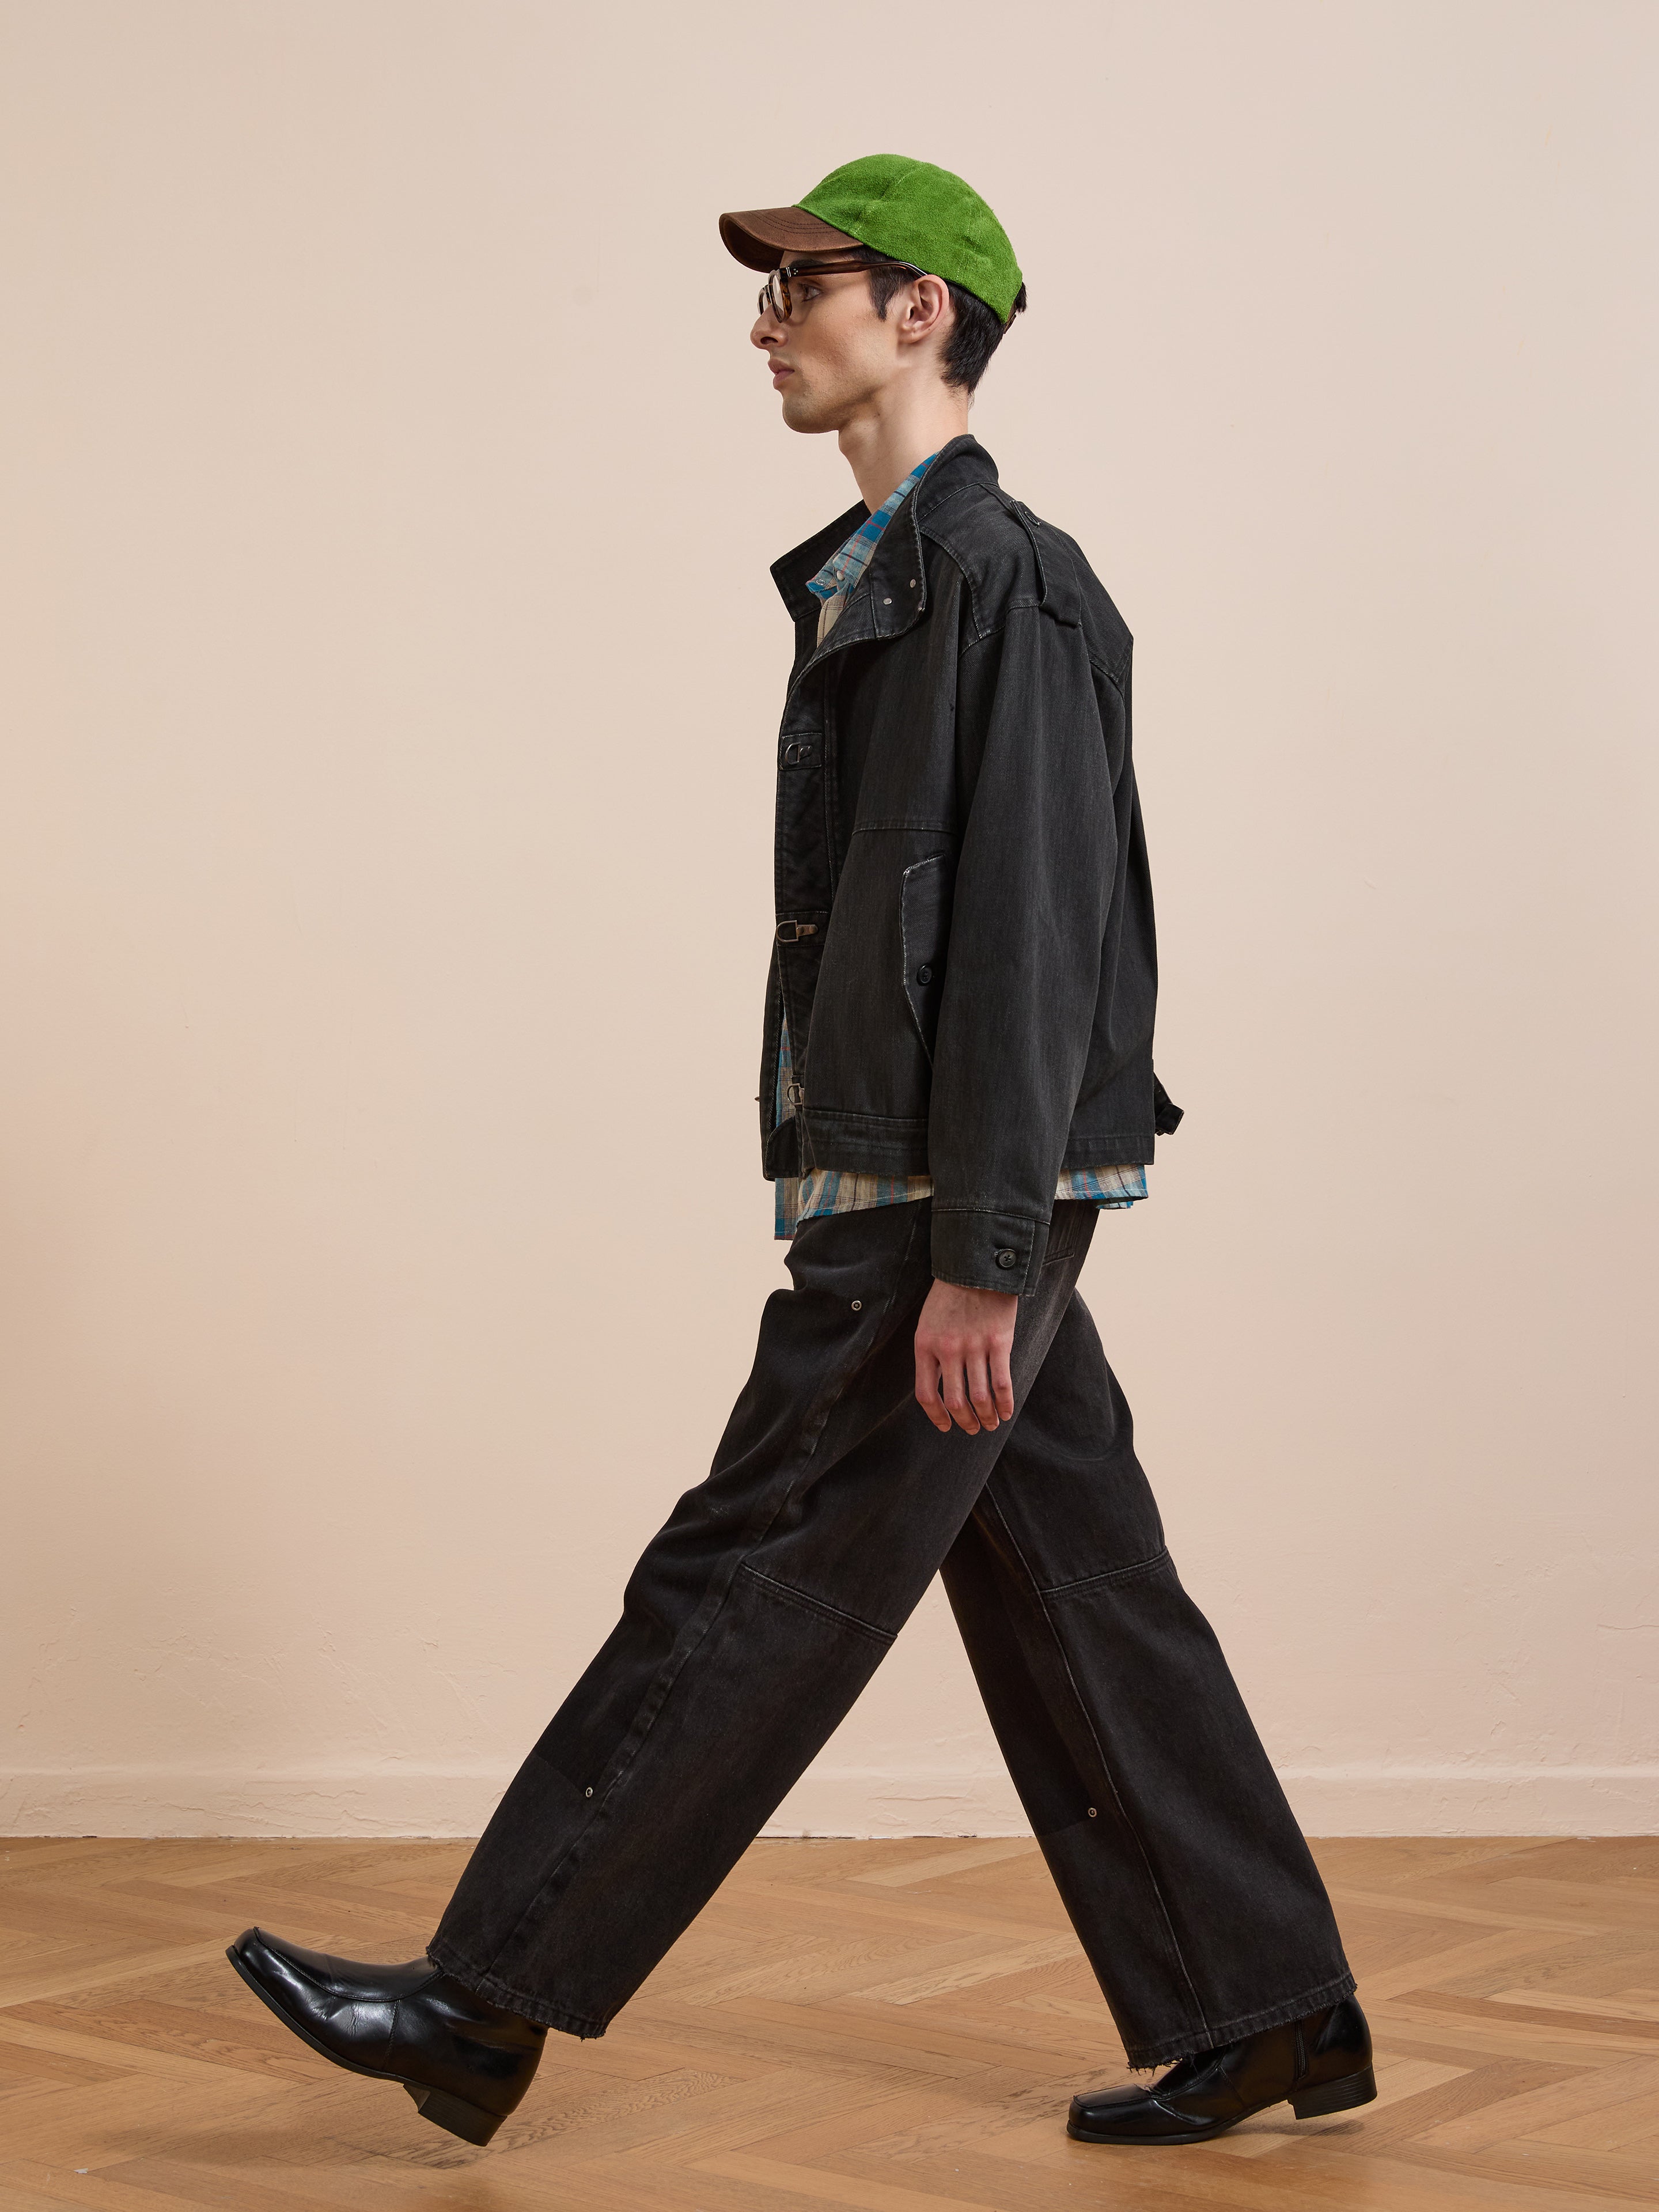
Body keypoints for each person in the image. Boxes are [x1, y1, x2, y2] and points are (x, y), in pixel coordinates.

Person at [228, 154, 1372, 2153]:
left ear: (920, 308)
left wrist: (988, 1249)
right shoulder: (885, 578)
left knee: (745, 1574)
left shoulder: (1002, 577)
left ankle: (484, 2005)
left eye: (800, 287)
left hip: (944, 1199)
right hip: (929, 1177)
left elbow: (1032, 924)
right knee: (1074, 1585)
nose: (764, 324)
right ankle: (1269, 2007)